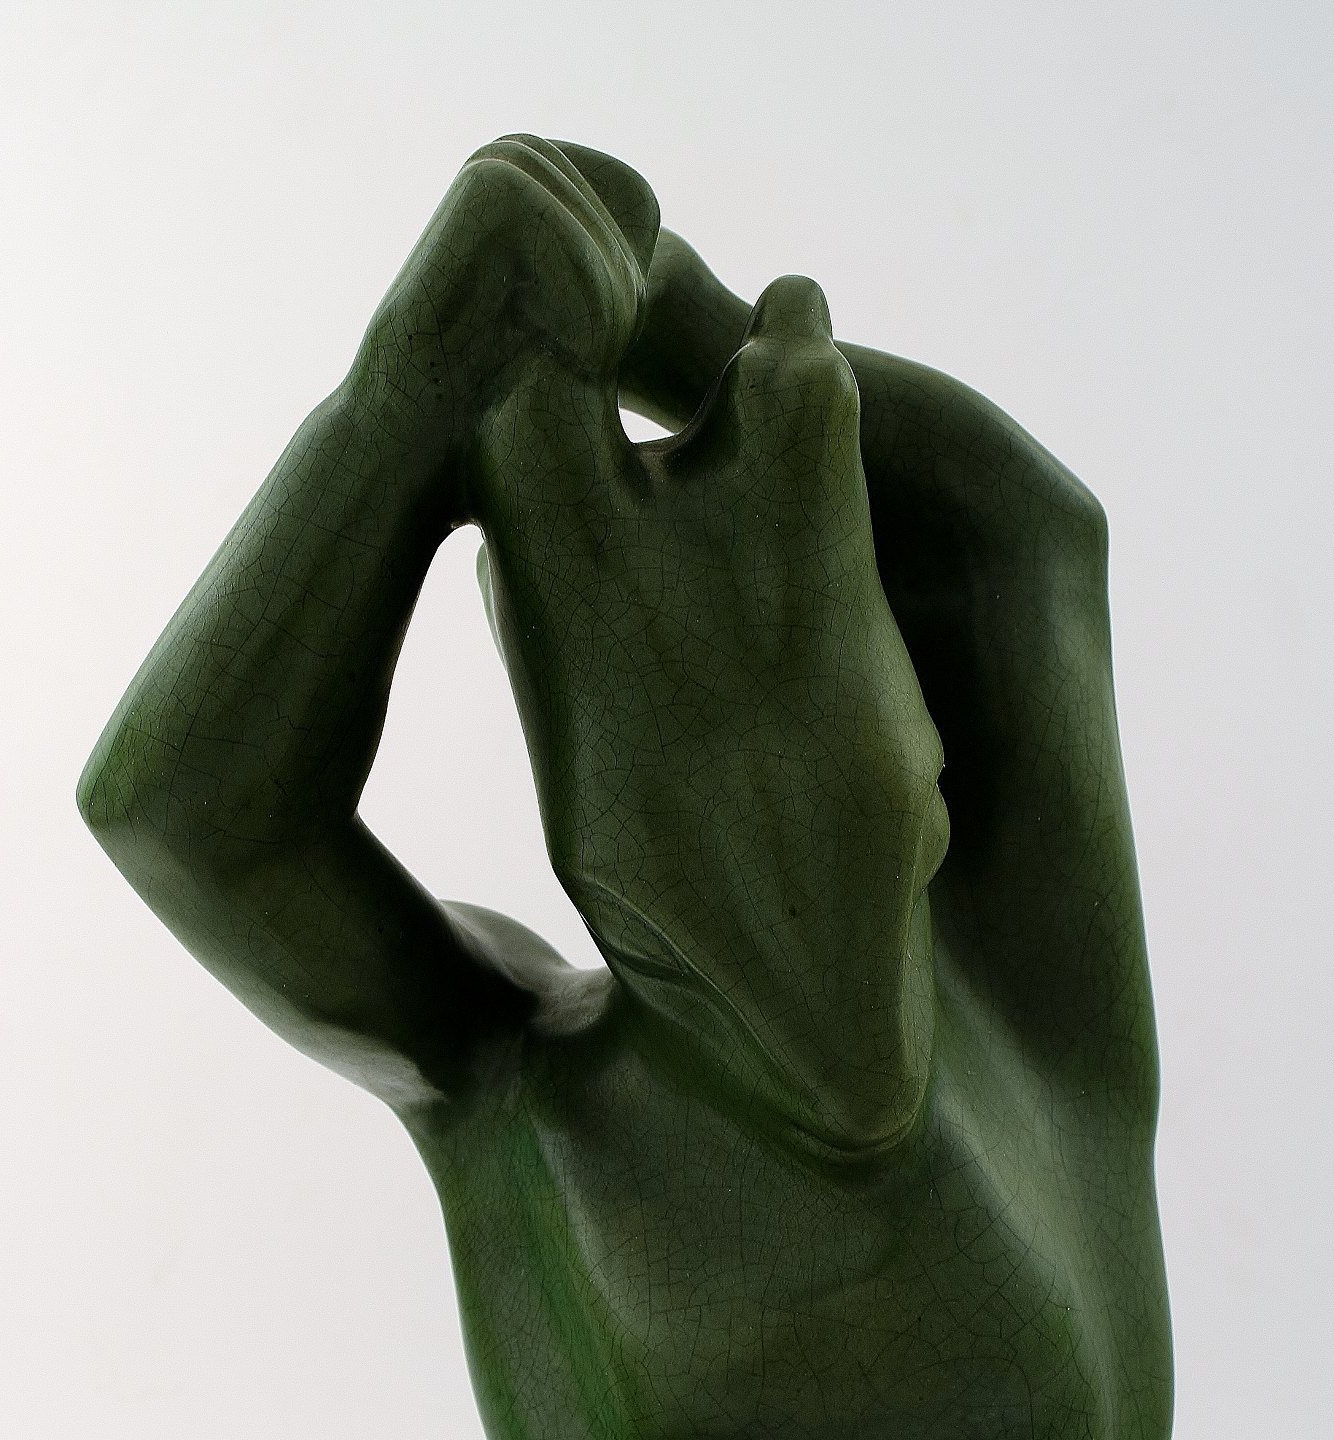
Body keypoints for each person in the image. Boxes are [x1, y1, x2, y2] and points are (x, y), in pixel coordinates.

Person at [77, 135, 1173, 1438]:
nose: (833, 1030)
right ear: (588, 874)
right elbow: (178, 820)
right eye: (672, 933)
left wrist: (671, 321)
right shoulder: (520, 1096)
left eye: (878, 843)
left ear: (925, 792)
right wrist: (404, 403)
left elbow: (1032, 541)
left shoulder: (1028, 1005)